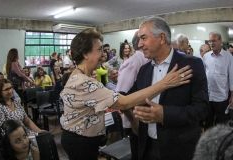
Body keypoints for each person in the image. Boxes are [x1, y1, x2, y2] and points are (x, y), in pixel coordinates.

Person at [60, 28, 193, 160]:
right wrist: (165, 83)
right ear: (85, 53)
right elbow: (125, 102)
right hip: (80, 140)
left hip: (80, 137)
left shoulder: (80, 76)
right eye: (99, 50)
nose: (103, 54)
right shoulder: (84, 83)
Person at [124, 16, 209, 160]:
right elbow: (130, 97)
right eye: (139, 39)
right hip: (147, 147)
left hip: (179, 148)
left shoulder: (191, 65)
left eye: (144, 38)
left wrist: (165, 114)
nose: (139, 44)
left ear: (162, 38)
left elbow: (202, 108)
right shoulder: (144, 69)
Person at [115, 30, 149, 160]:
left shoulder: (148, 60)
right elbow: (121, 97)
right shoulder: (133, 63)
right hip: (136, 122)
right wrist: (134, 122)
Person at [203, 31, 233, 130]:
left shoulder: (228, 57)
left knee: (221, 124)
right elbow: (203, 75)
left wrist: (232, 95)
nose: (211, 43)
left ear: (220, 41)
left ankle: (220, 143)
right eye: (210, 41)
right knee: (208, 122)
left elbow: (231, 76)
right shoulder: (206, 57)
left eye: (214, 41)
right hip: (208, 96)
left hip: (221, 97)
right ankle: (207, 143)